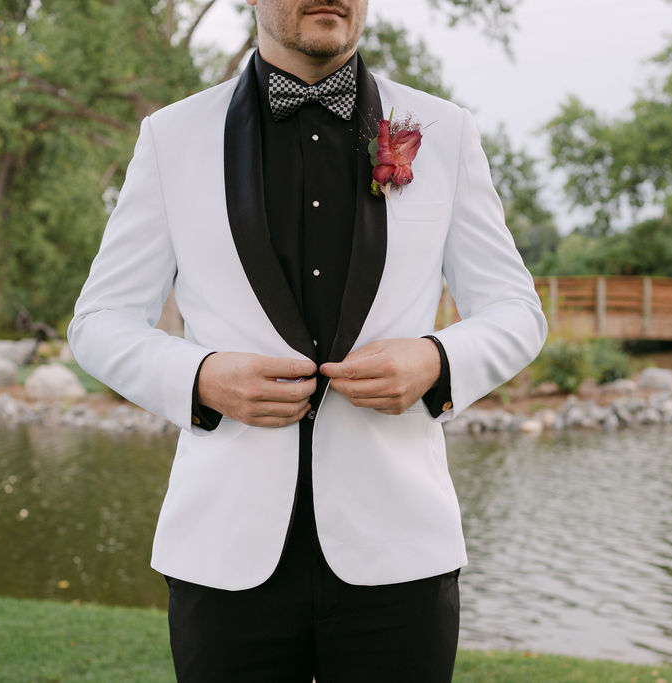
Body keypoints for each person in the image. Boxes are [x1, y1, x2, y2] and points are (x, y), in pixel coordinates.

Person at [68, 0, 547, 679]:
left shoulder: (445, 131)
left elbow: (516, 311)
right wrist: (200, 378)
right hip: (224, 553)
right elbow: (99, 320)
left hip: (399, 554)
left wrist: (435, 360)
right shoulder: (172, 138)